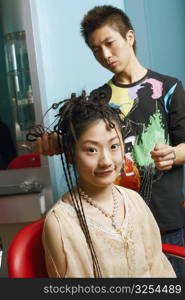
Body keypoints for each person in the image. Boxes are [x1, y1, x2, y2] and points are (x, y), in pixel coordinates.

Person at [37, 5, 185, 278]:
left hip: (166, 216)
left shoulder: (169, 87)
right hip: (111, 217)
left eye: (109, 43)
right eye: (96, 49)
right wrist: (62, 142)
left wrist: (174, 154)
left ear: (129, 37)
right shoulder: (99, 99)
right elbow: (83, 138)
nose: (104, 55)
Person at [42, 91, 175, 278]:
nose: (106, 161)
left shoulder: (134, 201)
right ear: (71, 155)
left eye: (114, 146)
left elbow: (158, 269)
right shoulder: (61, 223)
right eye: (91, 150)